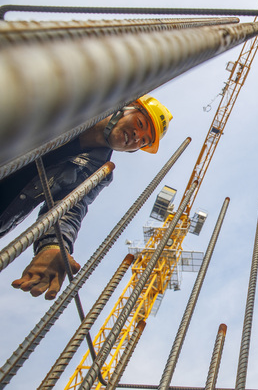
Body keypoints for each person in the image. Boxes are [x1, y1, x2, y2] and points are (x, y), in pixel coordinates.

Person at [0, 95, 173, 300]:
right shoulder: (73, 104)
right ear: (125, 108)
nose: (137, 136)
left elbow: (70, 208)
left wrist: (54, 245)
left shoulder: (96, 171)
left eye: (144, 141)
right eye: (140, 123)